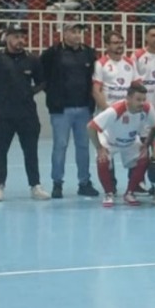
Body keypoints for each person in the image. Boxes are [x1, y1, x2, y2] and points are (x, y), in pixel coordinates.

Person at [0, 23, 49, 202]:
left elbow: (42, 82)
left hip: (27, 114)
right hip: (3, 115)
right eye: (16, 36)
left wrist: (29, 92)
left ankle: (35, 186)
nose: (20, 40)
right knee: (0, 152)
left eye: (22, 37)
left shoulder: (33, 60)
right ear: (7, 37)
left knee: (31, 151)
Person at [41, 22, 98, 198]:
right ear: (64, 33)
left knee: (83, 146)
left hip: (84, 108)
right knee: (60, 146)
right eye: (73, 31)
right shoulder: (52, 53)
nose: (76, 35)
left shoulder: (89, 53)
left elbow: (93, 78)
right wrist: (53, 95)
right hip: (61, 110)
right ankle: (57, 183)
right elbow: (43, 76)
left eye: (79, 31)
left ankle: (84, 182)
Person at [87, 83, 155, 207]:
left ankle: (130, 193)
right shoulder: (115, 111)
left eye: (143, 99)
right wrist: (99, 148)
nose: (142, 103)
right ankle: (108, 193)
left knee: (144, 158)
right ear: (128, 99)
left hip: (130, 141)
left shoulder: (147, 109)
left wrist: (146, 144)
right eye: (138, 99)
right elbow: (91, 127)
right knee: (102, 160)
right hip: (110, 141)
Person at [92, 31, 136, 112]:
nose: (120, 45)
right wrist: (107, 110)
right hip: (107, 110)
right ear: (106, 45)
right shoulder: (100, 64)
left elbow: (136, 86)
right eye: (116, 43)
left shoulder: (131, 63)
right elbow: (96, 91)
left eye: (121, 42)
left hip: (126, 110)